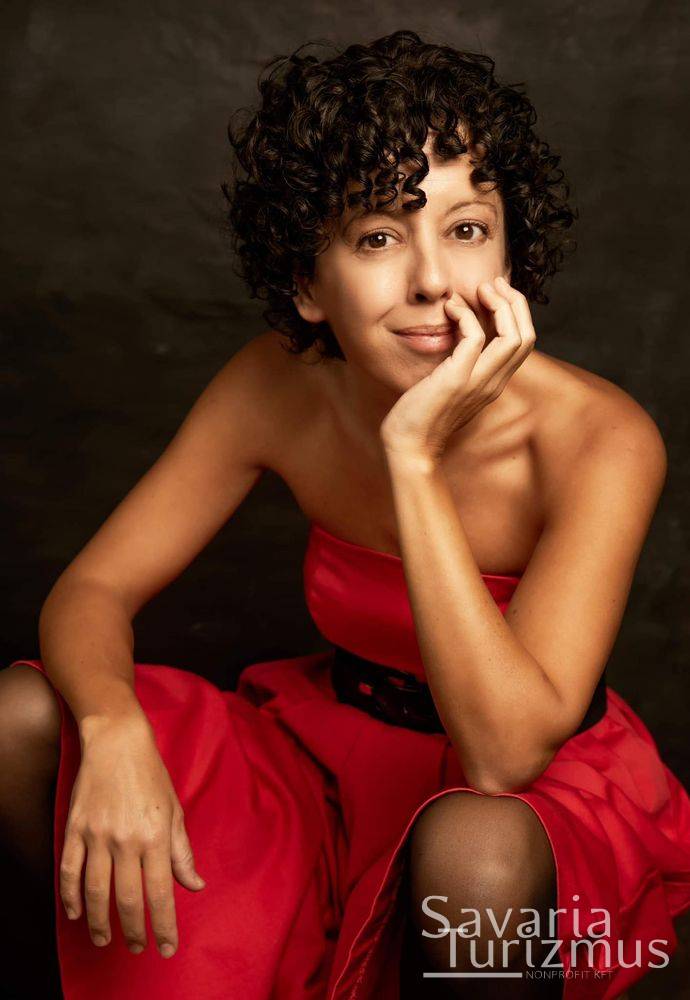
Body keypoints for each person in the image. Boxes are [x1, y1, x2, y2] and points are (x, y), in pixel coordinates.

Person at [2, 28, 689, 1000]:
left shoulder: (601, 436)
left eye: (466, 228)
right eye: (378, 236)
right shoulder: (277, 386)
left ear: (510, 248)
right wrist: (113, 730)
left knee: (475, 847)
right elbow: (95, 587)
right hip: (328, 761)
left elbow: (503, 756)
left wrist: (414, 456)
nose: (433, 282)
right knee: (22, 715)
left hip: (523, 803)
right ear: (305, 286)